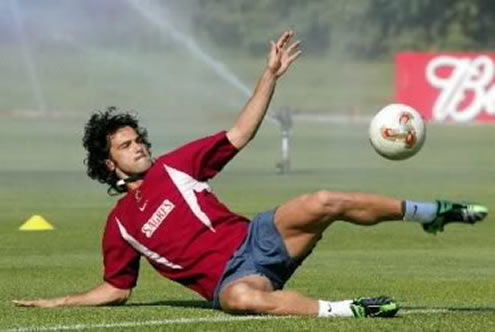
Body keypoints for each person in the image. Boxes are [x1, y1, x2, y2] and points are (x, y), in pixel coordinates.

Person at [14, 31, 487, 318]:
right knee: (241, 298)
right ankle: (351, 309)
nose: (138, 146)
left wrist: (270, 76)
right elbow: (117, 288)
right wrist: (61, 302)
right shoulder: (119, 225)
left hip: (261, 238)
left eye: (138, 139)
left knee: (322, 200)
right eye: (125, 145)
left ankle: (432, 212)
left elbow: (241, 131)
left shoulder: (176, 164)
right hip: (231, 281)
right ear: (108, 165)